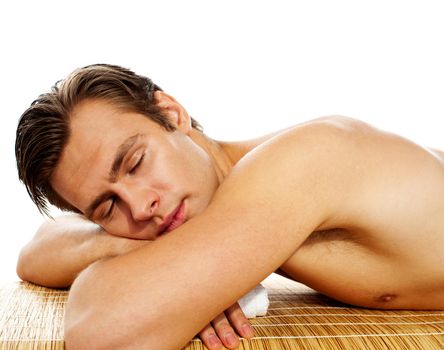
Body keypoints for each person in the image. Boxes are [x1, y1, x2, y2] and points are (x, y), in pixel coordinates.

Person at [15, 64, 444, 350]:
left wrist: (164, 273)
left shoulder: (303, 161)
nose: (141, 206)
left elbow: (100, 331)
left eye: (135, 163)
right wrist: (121, 247)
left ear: (171, 113)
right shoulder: (228, 206)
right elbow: (35, 253)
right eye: (107, 208)